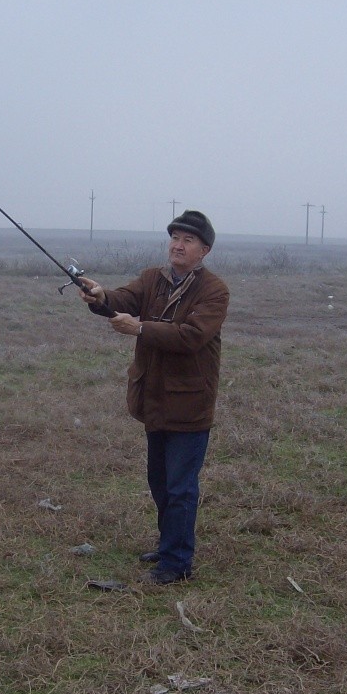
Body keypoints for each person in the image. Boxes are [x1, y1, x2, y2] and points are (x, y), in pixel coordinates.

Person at [79, 210, 229, 585]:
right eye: (175, 237)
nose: (178, 245)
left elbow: (190, 336)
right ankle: (169, 544)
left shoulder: (214, 291)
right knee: (160, 482)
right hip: (154, 400)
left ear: (204, 250)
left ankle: (177, 564)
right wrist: (100, 296)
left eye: (188, 240)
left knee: (181, 487)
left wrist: (140, 327)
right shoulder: (152, 279)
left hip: (190, 405)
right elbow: (122, 299)